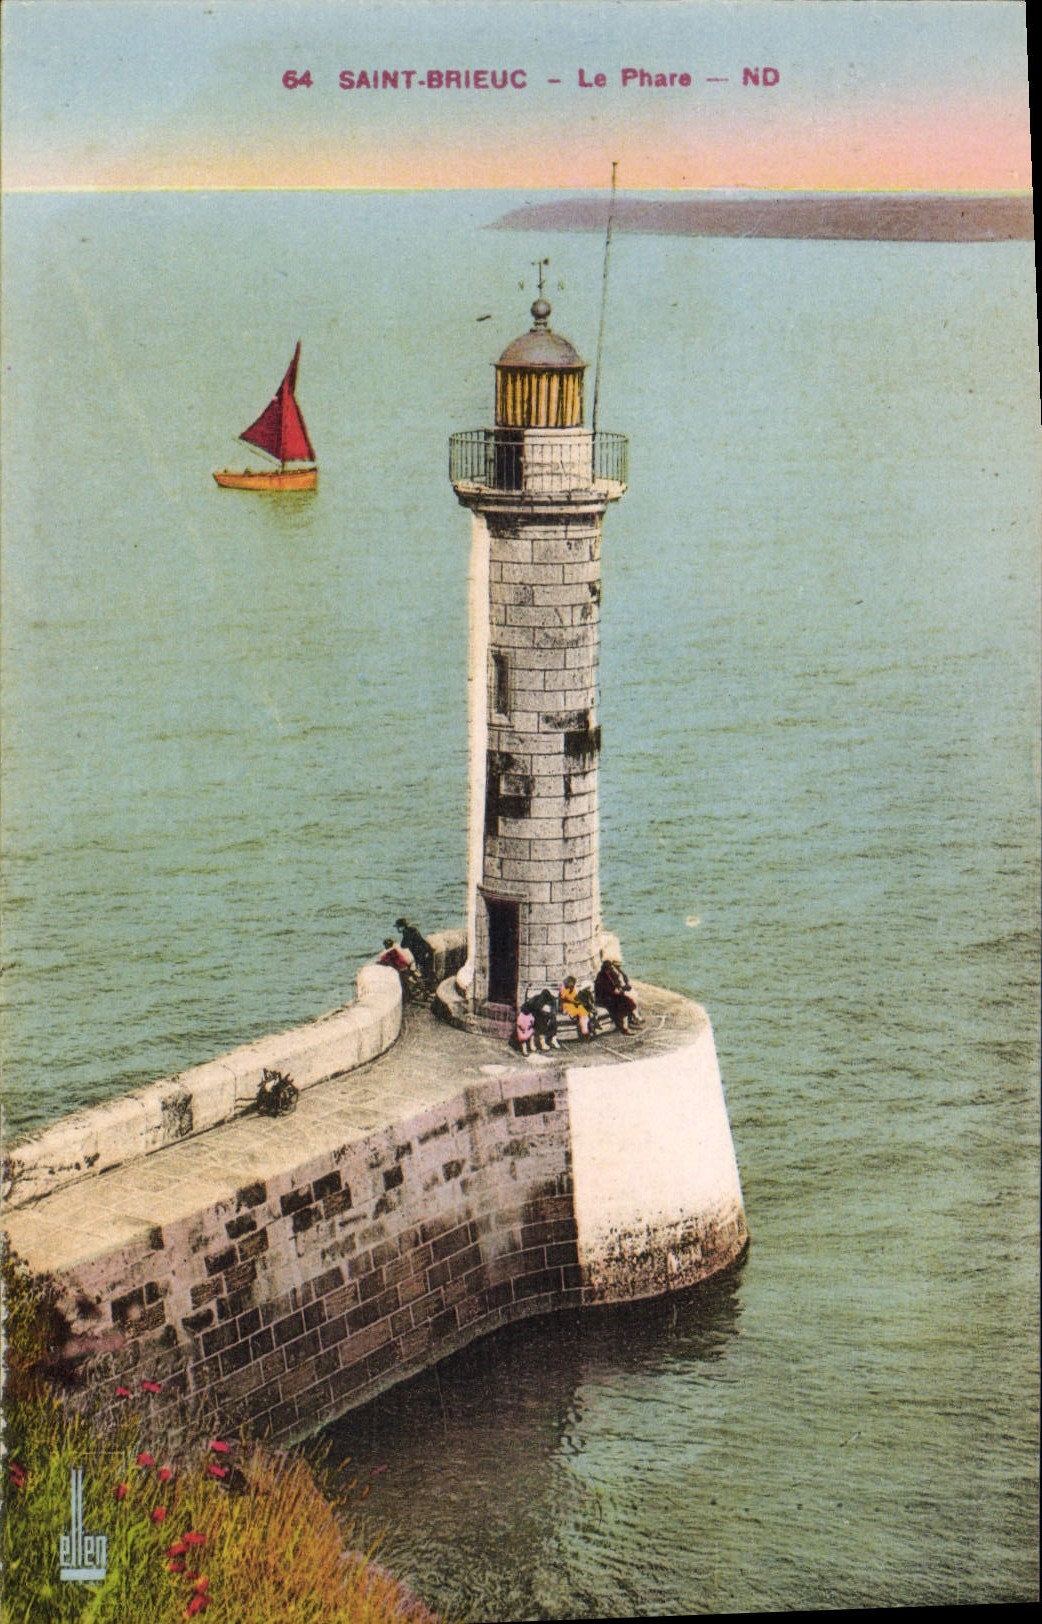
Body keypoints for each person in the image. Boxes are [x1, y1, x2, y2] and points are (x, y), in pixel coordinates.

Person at [594, 958, 641, 1034]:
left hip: (612, 996)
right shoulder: (601, 977)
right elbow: (604, 990)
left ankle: (627, 1024)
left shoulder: (609, 974)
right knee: (623, 1004)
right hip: (606, 998)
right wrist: (615, 991)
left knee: (628, 1001)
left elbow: (615, 985)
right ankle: (625, 1028)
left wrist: (619, 990)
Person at [395, 917, 436, 988]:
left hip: (422, 954)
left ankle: (430, 989)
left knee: (425, 972)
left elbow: (403, 945)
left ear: (401, 927)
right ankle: (431, 988)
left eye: (398, 927)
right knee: (429, 972)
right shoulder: (413, 929)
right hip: (427, 950)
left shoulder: (406, 933)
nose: (397, 929)